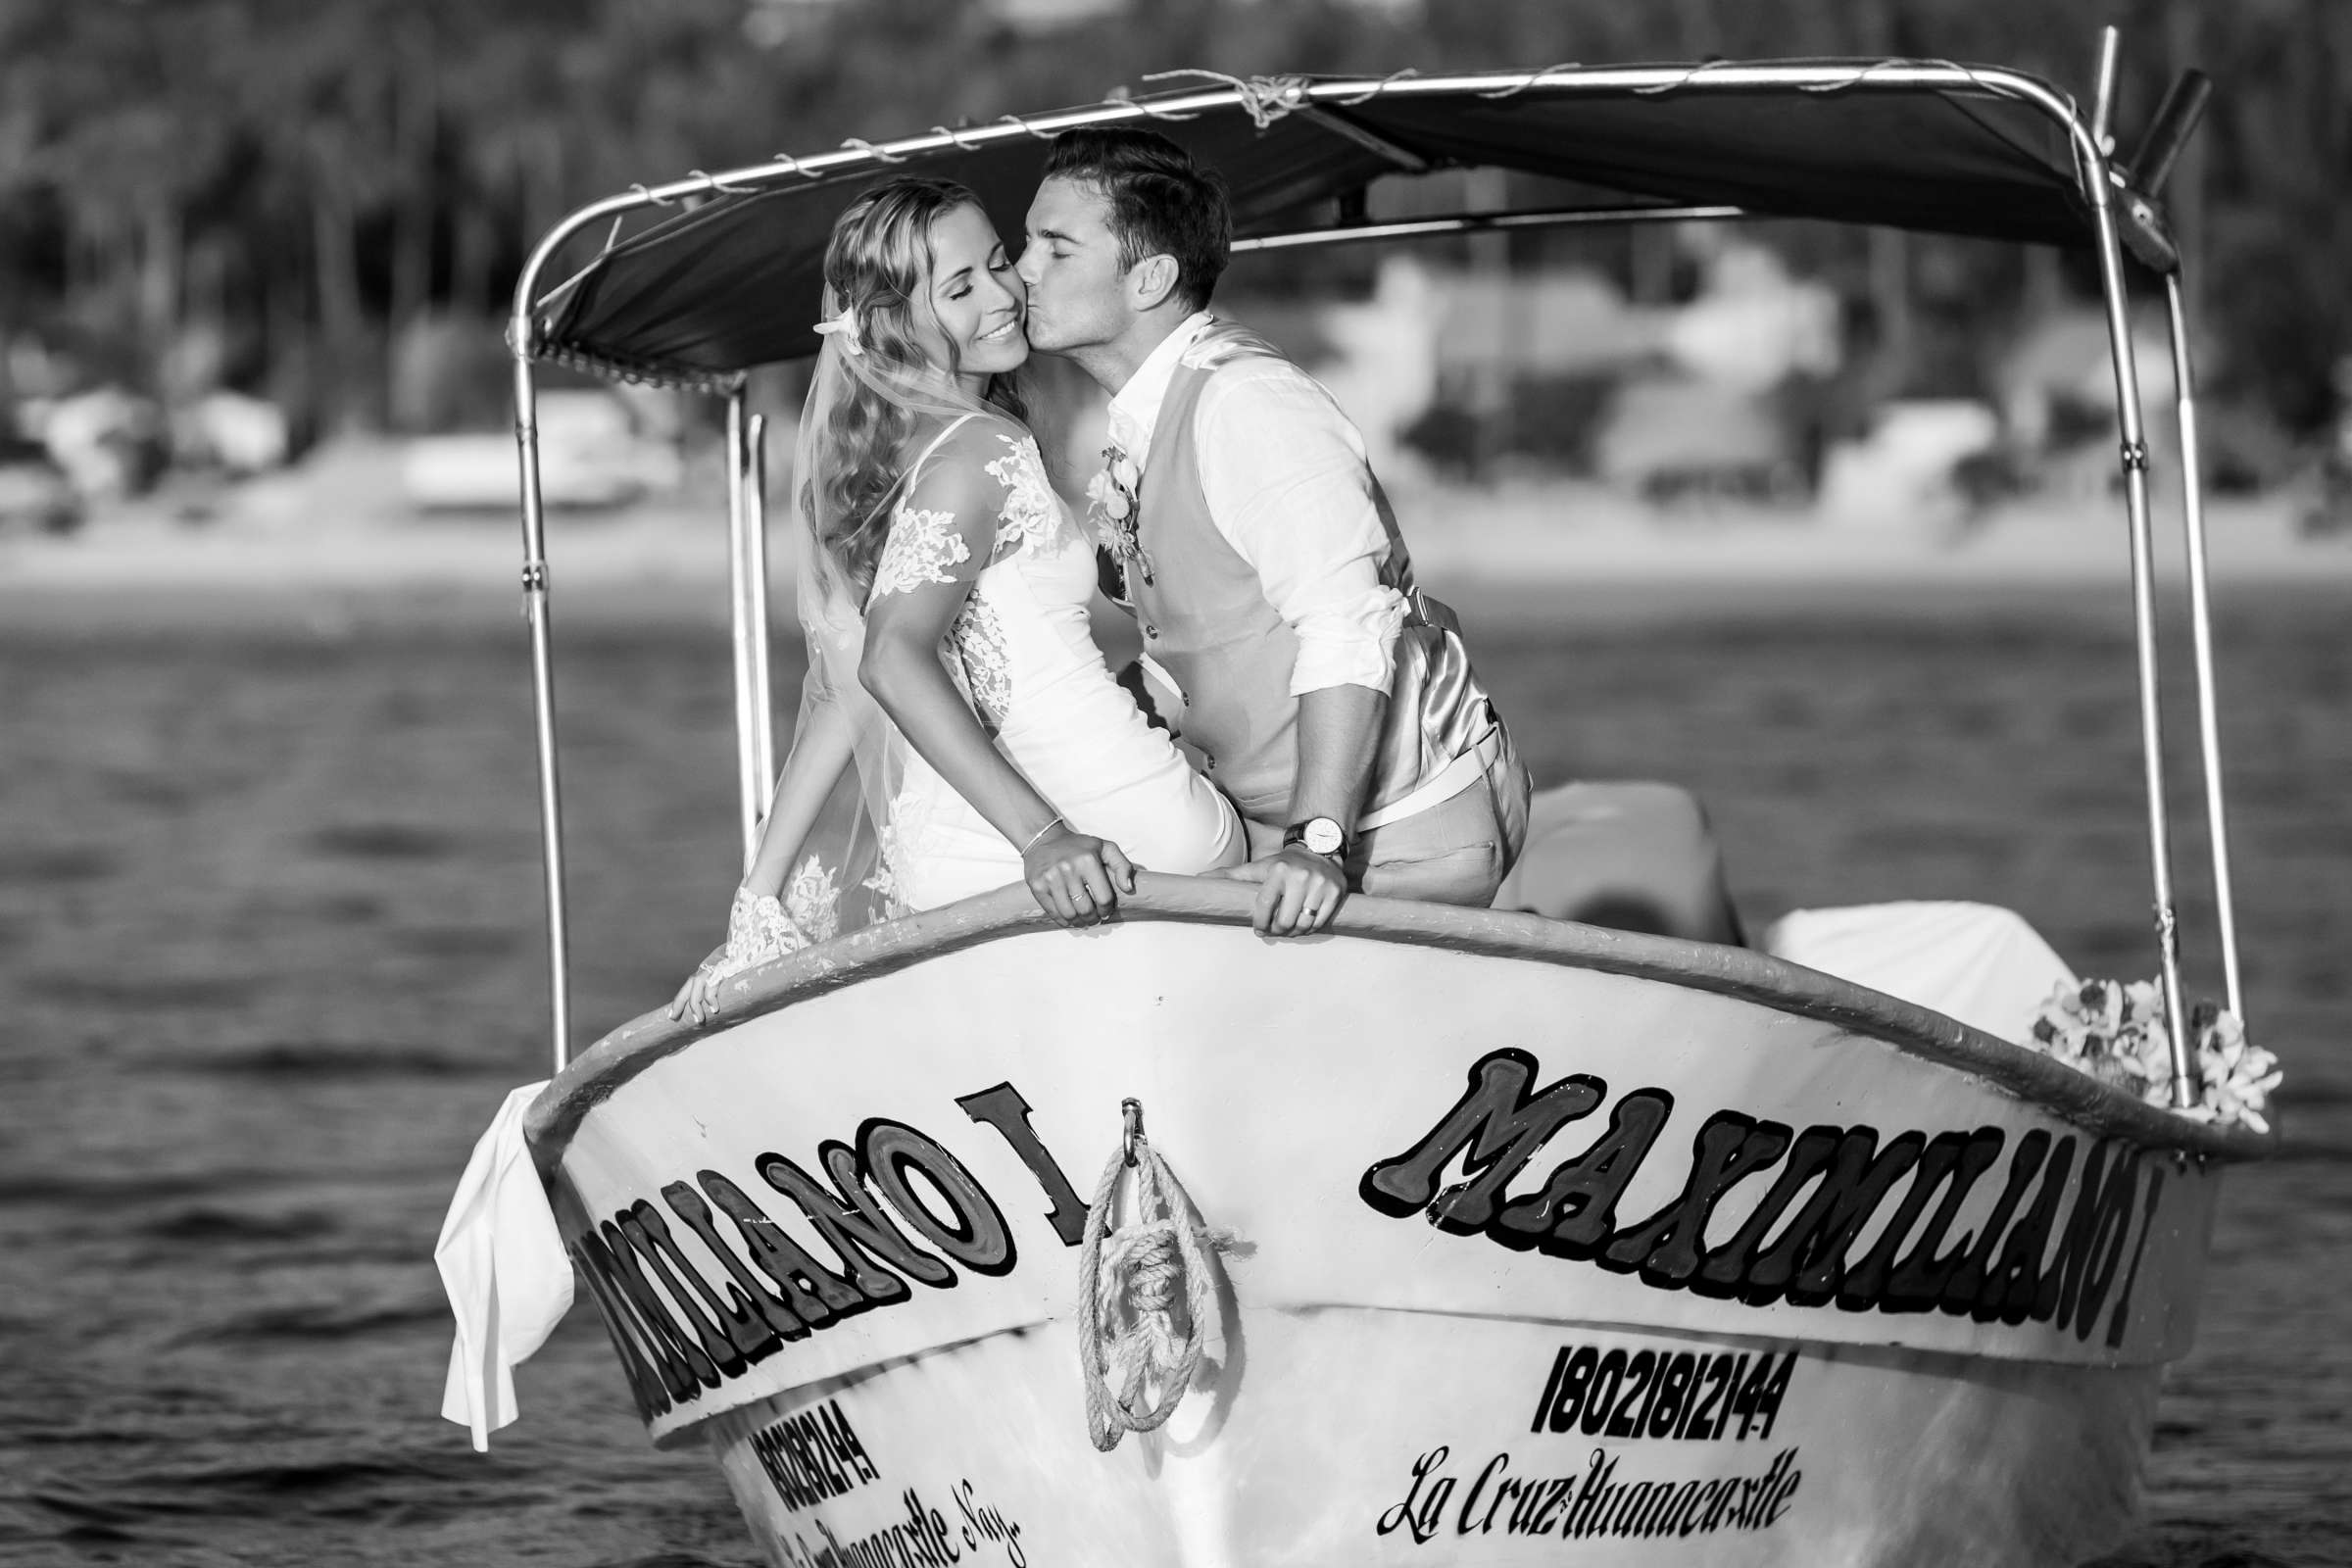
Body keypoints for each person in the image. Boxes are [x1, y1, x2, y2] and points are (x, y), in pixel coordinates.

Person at [669, 176, 1243, 1024]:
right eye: (960, 287)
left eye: (1000, 263)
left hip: (951, 863)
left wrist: (760, 904)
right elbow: (889, 660)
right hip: (1113, 831)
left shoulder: (889, 460)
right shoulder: (983, 450)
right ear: (899, 321)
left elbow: (843, 695)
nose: (1005, 294)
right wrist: (1043, 841)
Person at [1016, 127, 1534, 939]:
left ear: (1149, 277)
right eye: (1026, 245)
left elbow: (1348, 627)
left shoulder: (1249, 405)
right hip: (1276, 837)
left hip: (1396, 837)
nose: (1022, 272)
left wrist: (1317, 842)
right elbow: (1195, 640)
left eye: (1055, 249)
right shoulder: (1142, 424)